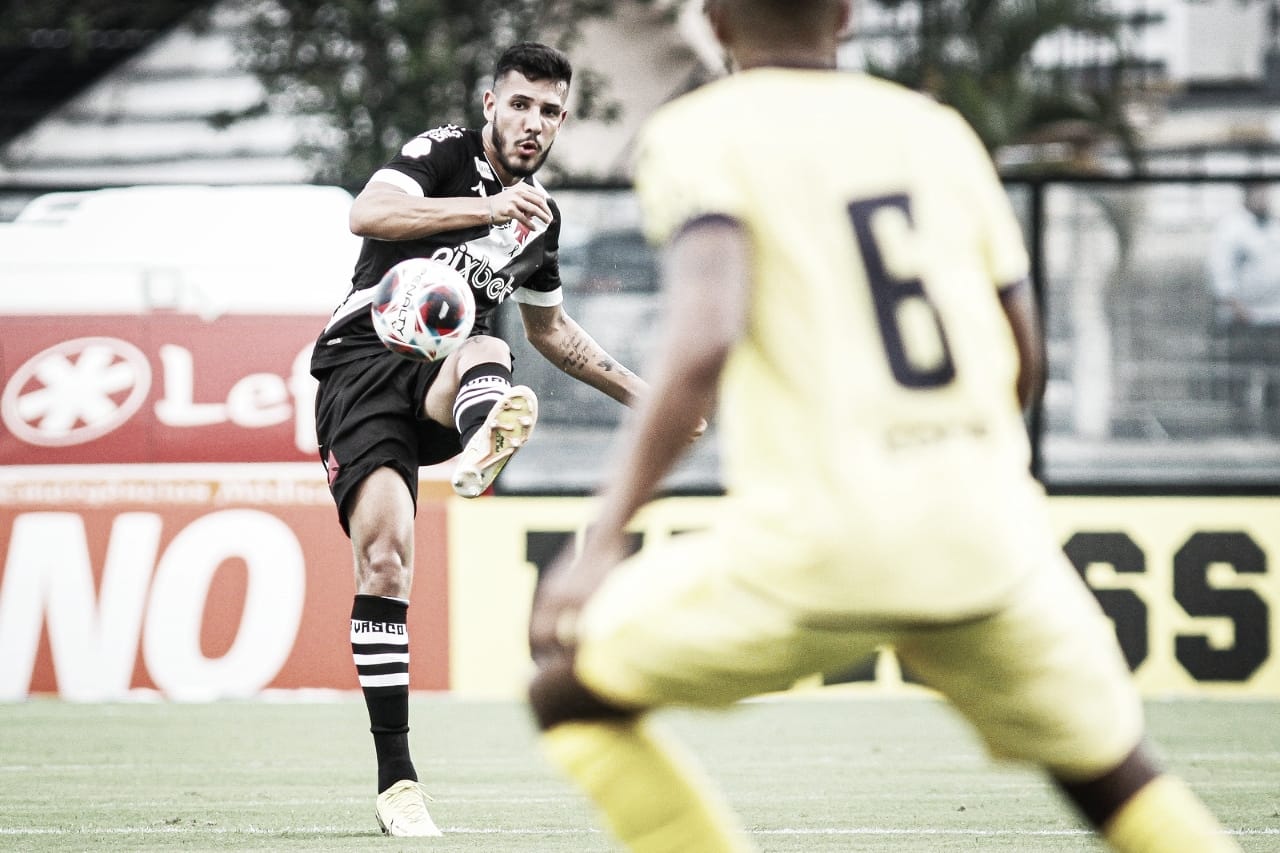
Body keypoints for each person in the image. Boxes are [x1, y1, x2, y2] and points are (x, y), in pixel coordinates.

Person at [526, 2, 1241, 851]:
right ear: (849, 18)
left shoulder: (701, 131)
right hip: (986, 546)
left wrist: (603, 536)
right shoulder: (936, 132)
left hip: (816, 549)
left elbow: (703, 338)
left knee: (566, 697)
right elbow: (1027, 353)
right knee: (1116, 779)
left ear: (714, 21)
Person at [311, 42, 656, 837]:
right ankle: (397, 782)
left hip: (445, 378)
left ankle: (479, 443)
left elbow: (556, 332)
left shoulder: (542, 217)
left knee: (489, 346)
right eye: (523, 104)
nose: (534, 124)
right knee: (386, 557)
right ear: (491, 103)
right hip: (362, 369)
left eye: (551, 112)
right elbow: (369, 213)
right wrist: (486, 208)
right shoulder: (442, 154)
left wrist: (648, 396)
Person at [1206, 180, 1280, 327]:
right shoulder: (1230, 227)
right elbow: (1220, 272)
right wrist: (1238, 310)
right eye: (1258, 192)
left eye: (1266, 192)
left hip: (1274, 313)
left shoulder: (1274, 225)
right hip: (1244, 316)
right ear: (1247, 194)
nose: (1263, 197)